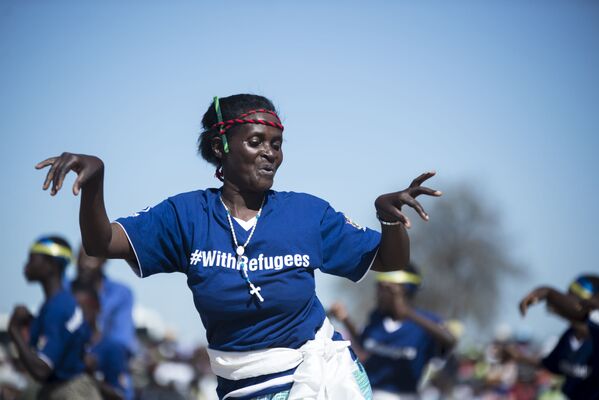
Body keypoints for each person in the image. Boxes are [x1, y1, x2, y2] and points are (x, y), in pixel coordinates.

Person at [35, 93, 442, 399]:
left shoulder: (306, 214)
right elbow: (102, 241)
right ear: (221, 147)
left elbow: (391, 260)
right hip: (242, 385)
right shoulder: (186, 215)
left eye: (277, 144)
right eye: (257, 141)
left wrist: (389, 219)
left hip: (320, 377)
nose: (270, 153)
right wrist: (95, 185)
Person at [329, 264, 456, 400]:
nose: (378, 294)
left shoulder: (425, 323)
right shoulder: (377, 318)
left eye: (384, 288)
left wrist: (408, 313)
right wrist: (345, 319)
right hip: (370, 393)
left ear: (403, 291)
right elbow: (365, 343)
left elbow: (450, 341)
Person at [8, 236, 101, 400]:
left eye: (32, 258)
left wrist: (14, 330)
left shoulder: (59, 308)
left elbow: (41, 370)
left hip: (71, 393)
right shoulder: (54, 306)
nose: (26, 265)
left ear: (51, 265)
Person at [505, 275, 599, 400]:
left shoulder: (596, 335)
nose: (564, 300)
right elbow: (551, 364)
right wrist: (517, 357)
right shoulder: (569, 336)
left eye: (574, 297)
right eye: (566, 295)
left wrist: (548, 292)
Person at [71, 280, 133, 400]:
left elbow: (121, 395)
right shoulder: (68, 344)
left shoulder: (111, 348)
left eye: (83, 309)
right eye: (74, 310)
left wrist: (89, 376)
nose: (78, 315)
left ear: (97, 307)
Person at [74, 246, 137, 359]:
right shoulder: (66, 289)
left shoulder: (120, 294)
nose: (83, 264)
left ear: (104, 260)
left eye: (90, 259)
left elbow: (121, 341)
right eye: (79, 259)